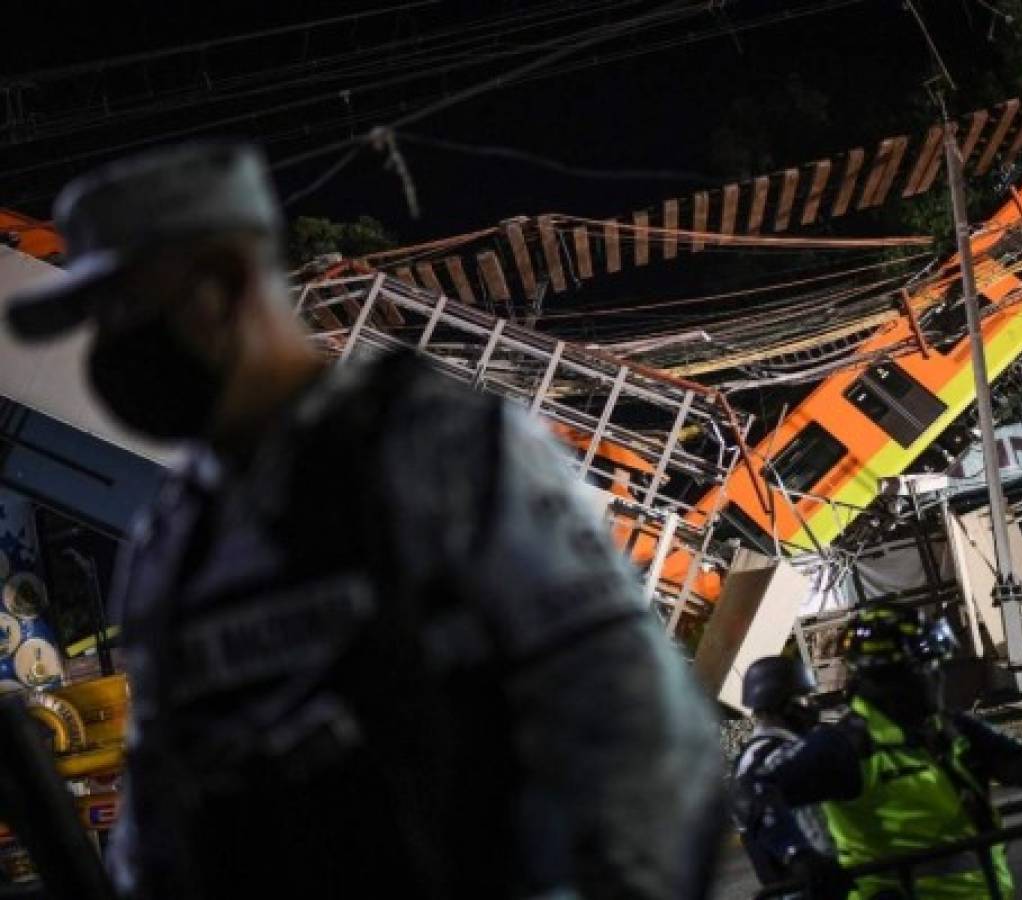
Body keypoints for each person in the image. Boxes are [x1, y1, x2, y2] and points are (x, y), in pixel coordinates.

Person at [3, 143, 724, 899]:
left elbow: (640, 742)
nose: (107, 354)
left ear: (219, 287)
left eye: (123, 313)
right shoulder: (174, 544)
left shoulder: (441, 452)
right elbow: (164, 818)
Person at [734, 603, 1022, 899]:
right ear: (888, 677)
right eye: (927, 667)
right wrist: (799, 857)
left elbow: (1016, 760)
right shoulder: (848, 747)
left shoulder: (947, 727)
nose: (938, 676)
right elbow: (754, 791)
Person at [731, 656, 846, 898]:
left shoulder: (777, 748)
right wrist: (799, 856)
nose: (811, 707)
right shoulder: (765, 756)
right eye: (803, 699)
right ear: (785, 705)